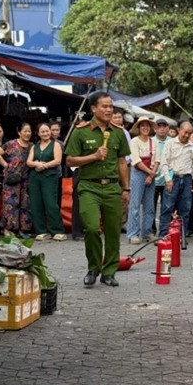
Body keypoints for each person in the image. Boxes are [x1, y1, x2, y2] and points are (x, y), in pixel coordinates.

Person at [66, 91, 130, 287]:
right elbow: (70, 160)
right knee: (92, 228)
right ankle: (93, 267)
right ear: (93, 108)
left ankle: (109, 272)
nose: (109, 110)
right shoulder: (80, 131)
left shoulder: (118, 132)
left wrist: (126, 189)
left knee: (113, 231)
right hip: (88, 187)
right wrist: (93, 156)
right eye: (105, 106)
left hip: (112, 188)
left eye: (111, 106)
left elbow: (122, 162)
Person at [158, 121, 193, 238]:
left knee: (185, 209)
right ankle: (163, 235)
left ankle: (181, 236)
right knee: (167, 207)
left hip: (187, 179)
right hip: (173, 178)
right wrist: (168, 179)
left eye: (189, 133)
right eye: (185, 132)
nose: (187, 135)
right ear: (179, 130)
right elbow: (164, 163)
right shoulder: (170, 144)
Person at [26, 123, 66, 241]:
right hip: (35, 177)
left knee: (51, 203)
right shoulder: (34, 146)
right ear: (38, 134)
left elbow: (58, 161)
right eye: (42, 132)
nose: (45, 133)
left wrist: (44, 166)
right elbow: (29, 161)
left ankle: (57, 230)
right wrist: (36, 164)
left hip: (50, 177)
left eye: (47, 131)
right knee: (36, 204)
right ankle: (41, 231)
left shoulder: (56, 145)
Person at [0, 123, 33, 238]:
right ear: (19, 132)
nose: (27, 133)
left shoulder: (32, 146)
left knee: (25, 204)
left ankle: (22, 229)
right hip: (12, 179)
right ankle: (7, 229)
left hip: (25, 179)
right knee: (10, 203)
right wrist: (6, 165)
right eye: (25, 131)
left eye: (29, 131)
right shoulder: (11, 144)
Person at [126, 116, 159, 244]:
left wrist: (152, 175)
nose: (145, 128)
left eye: (147, 125)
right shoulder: (134, 141)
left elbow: (157, 159)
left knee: (149, 205)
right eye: (142, 125)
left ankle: (147, 231)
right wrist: (149, 172)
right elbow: (136, 161)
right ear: (138, 128)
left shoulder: (153, 142)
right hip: (138, 173)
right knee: (135, 204)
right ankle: (133, 233)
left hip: (151, 174)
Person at [151, 118, 171, 235]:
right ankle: (152, 229)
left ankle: (165, 231)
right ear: (155, 129)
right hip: (153, 179)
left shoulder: (172, 141)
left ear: (168, 128)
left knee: (167, 207)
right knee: (151, 207)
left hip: (167, 180)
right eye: (159, 126)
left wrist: (170, 177)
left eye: (164, 126)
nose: (162, 129)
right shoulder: (151, 141)